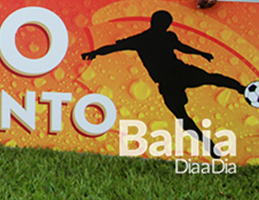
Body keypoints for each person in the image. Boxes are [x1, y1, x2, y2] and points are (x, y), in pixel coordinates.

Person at [82, 10, 247, 159]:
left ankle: (242, 89)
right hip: (170, 80)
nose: (165, 26)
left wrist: (201, 53)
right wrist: (94, 52)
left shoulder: (161, 37)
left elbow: (182, 48)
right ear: (156, 23)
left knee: (212, 80)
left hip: (178, 73)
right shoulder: (142, 39)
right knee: (183, 114)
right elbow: (114, 48)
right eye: (163, 23)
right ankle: (207, 143)